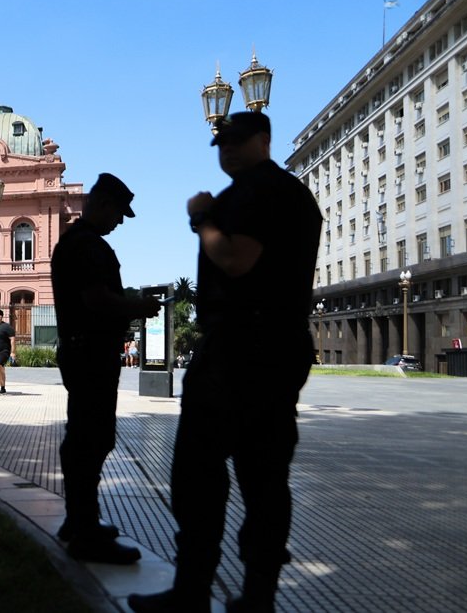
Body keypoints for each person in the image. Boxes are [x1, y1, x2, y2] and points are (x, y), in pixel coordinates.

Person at [128, 112, 322, 613]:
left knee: (199, 474)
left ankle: (194, 591)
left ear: (265, 139)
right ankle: (257, 597)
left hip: (241, 351)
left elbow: (236, 259)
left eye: (236, 141)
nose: (226, 150)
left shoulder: (261, 192)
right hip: (273, 349)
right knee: (264, 476)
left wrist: (201, 218)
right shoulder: (285, 192)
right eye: (220, 143)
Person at [51, 172, 161, 564]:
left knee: (84, 435)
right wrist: (138, 306)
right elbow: (97, 300)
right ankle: (84, 530)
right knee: (91, 439)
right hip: (91, 354)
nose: (119, 222)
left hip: (81, 352)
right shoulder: (89, 246)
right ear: (102, 205)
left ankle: (78, 520)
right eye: (118, 214)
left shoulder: (72, 243)